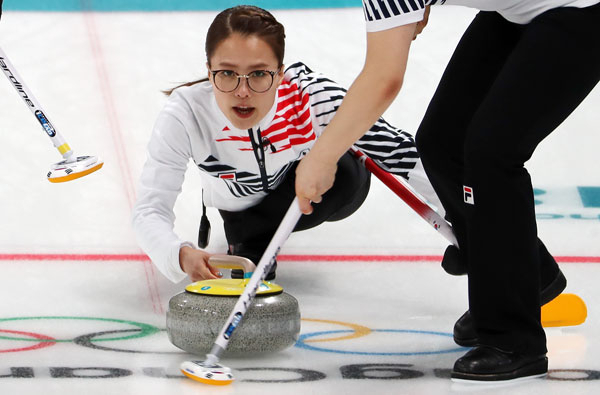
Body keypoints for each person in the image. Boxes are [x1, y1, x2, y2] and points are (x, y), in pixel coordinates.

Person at [295, 0, 600, 384]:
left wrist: (323, 157)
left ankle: (514, 341)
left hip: (579, 10)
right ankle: (526, 276)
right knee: (443, 143)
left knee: (492, 154)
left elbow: (383, 79)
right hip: (514, 12)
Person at [131, 5, 441, 284]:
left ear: (280, 74)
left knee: (346, 168)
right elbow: (149, 209)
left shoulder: (311, 96)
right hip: (242, 211)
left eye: (259, 74)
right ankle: (249, 236)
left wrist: (468, 220)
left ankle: (254, 234)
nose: (242, 92)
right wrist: (178, 254)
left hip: (331, 188)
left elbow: (403, 155)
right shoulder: (185, 115)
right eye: (227, 73)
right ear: (209, 72)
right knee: (247, 236)